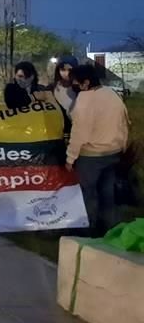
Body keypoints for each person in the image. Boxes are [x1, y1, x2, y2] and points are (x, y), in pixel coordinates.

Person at [66, 64, 129, 235]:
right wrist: (122, 146)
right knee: (108, 195)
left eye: (76, 83)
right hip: (113, 152)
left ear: (86, 82)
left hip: (91, 156)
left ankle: (89, 232)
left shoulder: (85, 100)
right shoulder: (111, 93)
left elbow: (79, 132)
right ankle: (112, 231)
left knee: (89, 195)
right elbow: (123, 122)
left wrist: (70, 158)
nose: (74, 86)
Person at [51, 56, 80, 130]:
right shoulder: (51, 88)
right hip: (57, 128)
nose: (66, 73)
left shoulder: (81, 88)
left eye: (70, 70)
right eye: (63, 70)